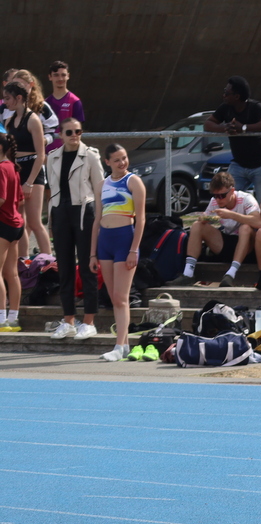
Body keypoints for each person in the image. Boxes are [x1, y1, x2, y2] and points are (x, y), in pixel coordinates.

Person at [44, 118, 102, 339]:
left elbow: (99, 189)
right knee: (65, 267)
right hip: (60, 212)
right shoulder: (53, 157)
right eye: (69, 132)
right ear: (61, 134)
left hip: (83, 212)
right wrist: (51, 219)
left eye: (78, 131)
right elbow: (53, 189)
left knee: (88, 266)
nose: (74, 135)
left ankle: (89, 320)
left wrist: (99, 217)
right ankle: (68, 319)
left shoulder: (90, 155)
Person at [91, 143, 146, 361]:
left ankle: (119, 344)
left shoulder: (133, 181)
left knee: (122, 297)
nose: (122, 163)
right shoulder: (101, 185)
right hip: (105, 242)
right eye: (117, 160)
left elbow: (141, 218)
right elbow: (97, 219)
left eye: (124, 158)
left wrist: (134, 249)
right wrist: (92, 253)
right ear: (107, 162)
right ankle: (124, 345)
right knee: (114, 297)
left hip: (125, 240)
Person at [178, 170, 261, 285]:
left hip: (248, 247)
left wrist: (231, 215)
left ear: (232, 191)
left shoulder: (246, 198)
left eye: (222, 196)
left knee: (245, 228)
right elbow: (206, 219)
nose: (218, 199)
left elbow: (258, 222)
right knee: (197, 226)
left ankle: (231, 273)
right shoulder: (215, 202)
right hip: (227, 243)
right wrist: (206, 218)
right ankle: (188, 273)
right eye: (215, 196)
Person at [205, 76, 261, 200]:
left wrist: (243, 128)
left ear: (237, 96)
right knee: (228, 198)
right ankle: (234, 219)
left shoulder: (255, 107)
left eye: (227, 93)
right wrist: (225, 128)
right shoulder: (225, 108)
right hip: (239, 164)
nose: (224, 95)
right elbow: (208, 124)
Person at [2, 81, 49, 259]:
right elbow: (8, 151)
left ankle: (49, 263)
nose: (5, 102)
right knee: (18, 221)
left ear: (19, 97)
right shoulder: (8, 121)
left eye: (8, 98)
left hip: (33, 171)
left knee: (35, 221)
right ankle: (24, 262)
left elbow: (41, 154)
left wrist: (29, 182)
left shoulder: (33, 120)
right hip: (17, 170)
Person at [0, 135, 23, 332]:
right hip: (15, 224)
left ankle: (1, 319)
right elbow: (20, 199)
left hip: (3, 224)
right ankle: (13, 318)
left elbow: (1, 198)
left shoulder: (1, 168)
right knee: (11, 273)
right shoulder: (13, 167)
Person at [45, 62, 82, 156]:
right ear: (50, 77)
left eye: (63, 75)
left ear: (68, 76)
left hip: (69, 152)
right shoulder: (44, 103)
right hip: (48, 153)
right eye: (56, 75)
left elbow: (78, 131)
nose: (60, 78)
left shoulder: (75, 101)